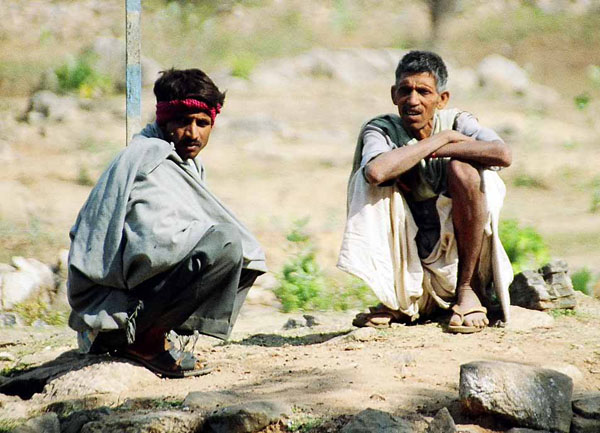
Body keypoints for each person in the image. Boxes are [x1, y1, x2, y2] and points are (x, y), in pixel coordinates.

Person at [67, 68, 267, 377]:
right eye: (183, 122)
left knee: (227, 245)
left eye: (203, 123)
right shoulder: (152, 158)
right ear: (164, 121)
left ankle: (156, 334)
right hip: (112, 310)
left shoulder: (184, 163)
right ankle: (144, 342)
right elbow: (148, 250)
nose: (193, 133)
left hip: (125, 304)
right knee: (224, 243)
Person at [338, 51, 514, 333]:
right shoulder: (382, 129)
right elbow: (376, 172)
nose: (413, 100)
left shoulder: (458, 121)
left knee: (464, 170)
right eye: (405, 91)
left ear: (441, 99)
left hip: (460, 249)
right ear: (394, 95)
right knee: (366, 178)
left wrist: (440, 146)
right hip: (412, 249)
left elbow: (502, 154)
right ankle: (400, 300)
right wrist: (441, 141)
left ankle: (468, 290)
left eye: (423, 91)